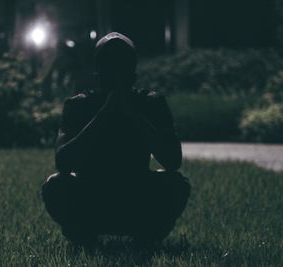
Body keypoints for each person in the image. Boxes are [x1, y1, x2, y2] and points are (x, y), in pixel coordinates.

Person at [42, 32, 190, 246]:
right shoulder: (79, 106)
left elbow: (173, 160)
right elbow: (63, 162)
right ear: (98, 74)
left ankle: (146, 234)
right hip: (91, 198)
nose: (116, 75)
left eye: (122, 67)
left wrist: (133, 115)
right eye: (109, 67)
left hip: (137, 197)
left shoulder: (150, 104)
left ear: (133, 75)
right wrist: (103, 116)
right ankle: (84, 234)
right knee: (55, 185)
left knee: (176, 184)